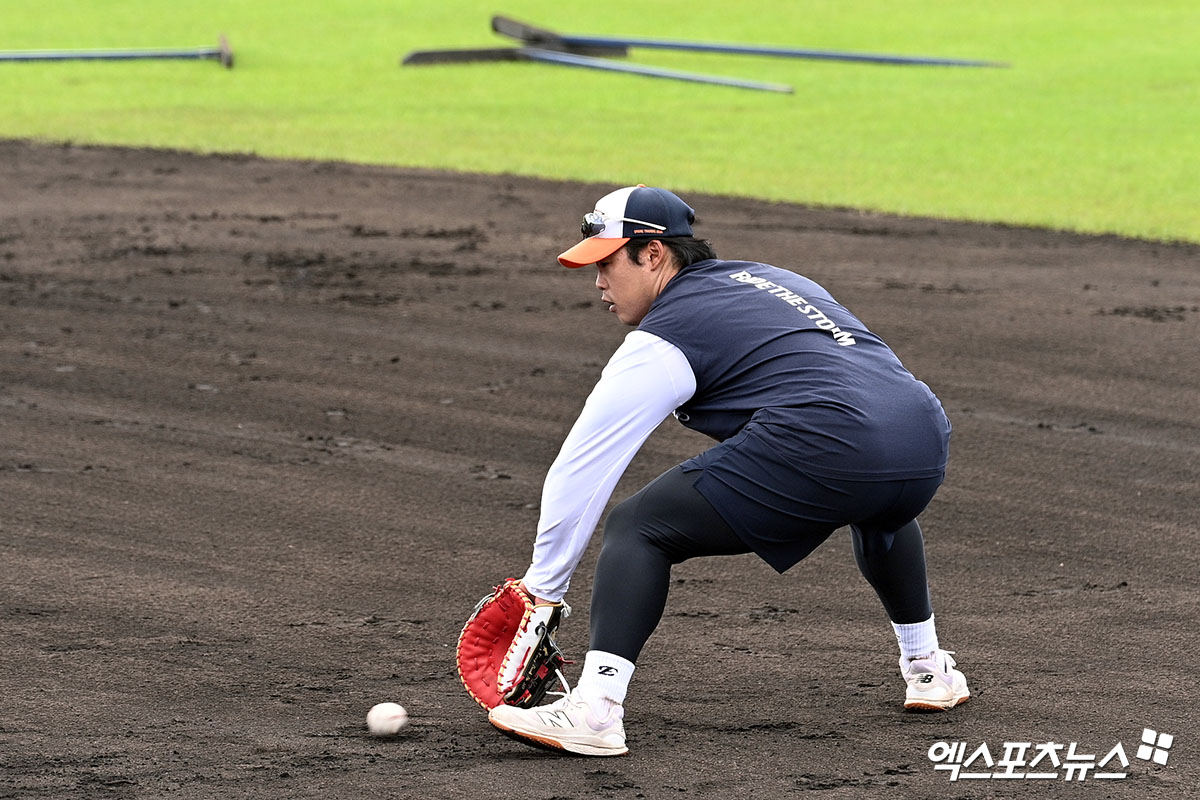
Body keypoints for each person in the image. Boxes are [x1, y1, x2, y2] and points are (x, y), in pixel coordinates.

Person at [488, 185, 969, 757]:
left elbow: (584, 464)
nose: (598, 283)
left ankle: (596, 709)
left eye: (607, 263)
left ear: (652, 254)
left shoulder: (668, 332)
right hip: (921, 436)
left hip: (832, 440)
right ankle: (928, 669)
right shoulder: (772, 280)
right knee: (878, 504)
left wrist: (543, 589)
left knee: (638, 528)